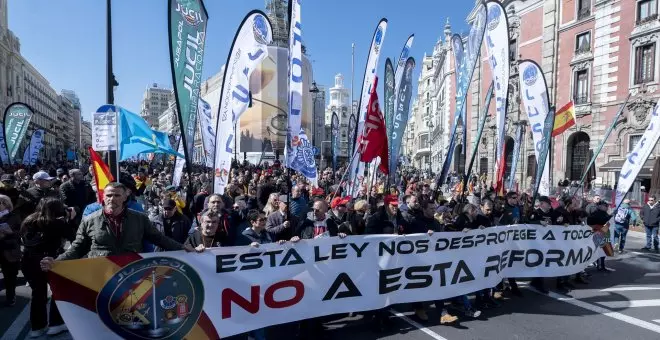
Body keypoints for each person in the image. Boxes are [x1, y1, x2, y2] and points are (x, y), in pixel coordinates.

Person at [39, 183, 199, 268]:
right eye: (109, 195)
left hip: (131, 272)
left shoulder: (140, 219)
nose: (112, 199)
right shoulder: (90, 220)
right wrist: (57, 261)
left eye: (117, 195)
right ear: (103, 197)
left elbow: (159, 239)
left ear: (125, 197)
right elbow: (78, 247)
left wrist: (186, 248)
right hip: (100, 273)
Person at [20, 198, 76, 337]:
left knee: (38, 294)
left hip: (29, 260)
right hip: (50, 259)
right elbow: (74, 238)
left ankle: (37, 327)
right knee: (59, 291)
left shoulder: (28, 220)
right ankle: (56, 324)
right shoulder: (57, 223)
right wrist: (70, 220)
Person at [0, 194, 22, 307]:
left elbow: (22, 233)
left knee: (10, 276)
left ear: (6, 204)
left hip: (9, 250)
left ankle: (11, 297)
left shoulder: (14, 216)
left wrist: (11, 233)